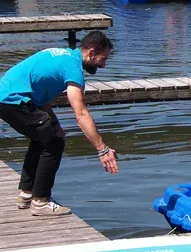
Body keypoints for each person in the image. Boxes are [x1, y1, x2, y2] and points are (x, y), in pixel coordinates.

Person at [0, 31, 119, 217]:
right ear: (91, 52)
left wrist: (55, 123)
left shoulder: (63, 55)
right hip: (13, 99)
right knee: (54, 142)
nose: (103, 65)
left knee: (44, 137)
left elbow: (39, 95)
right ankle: (40, 201)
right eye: (102, 59)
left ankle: (27, 194)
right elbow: (80, 113)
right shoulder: (73, 68)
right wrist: (102, 150)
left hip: (9, 97)